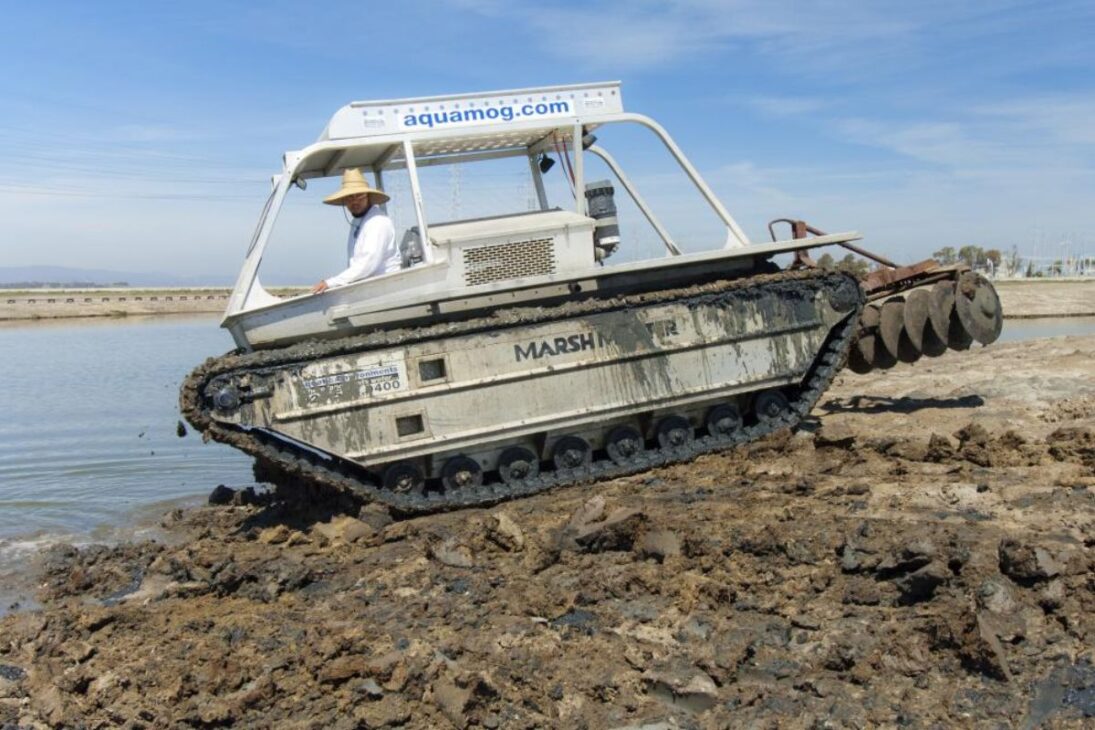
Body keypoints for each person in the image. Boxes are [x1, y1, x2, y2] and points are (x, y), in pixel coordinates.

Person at [312, 169, 400, 294]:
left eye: (359, 196)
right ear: (344, 201)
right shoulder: (357, 222)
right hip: (368, 289)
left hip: (386, 290)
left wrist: (331, 282)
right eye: (349, 197)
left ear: (368, 197)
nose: (355, 201)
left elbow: (367, 263)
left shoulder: (378, 221)